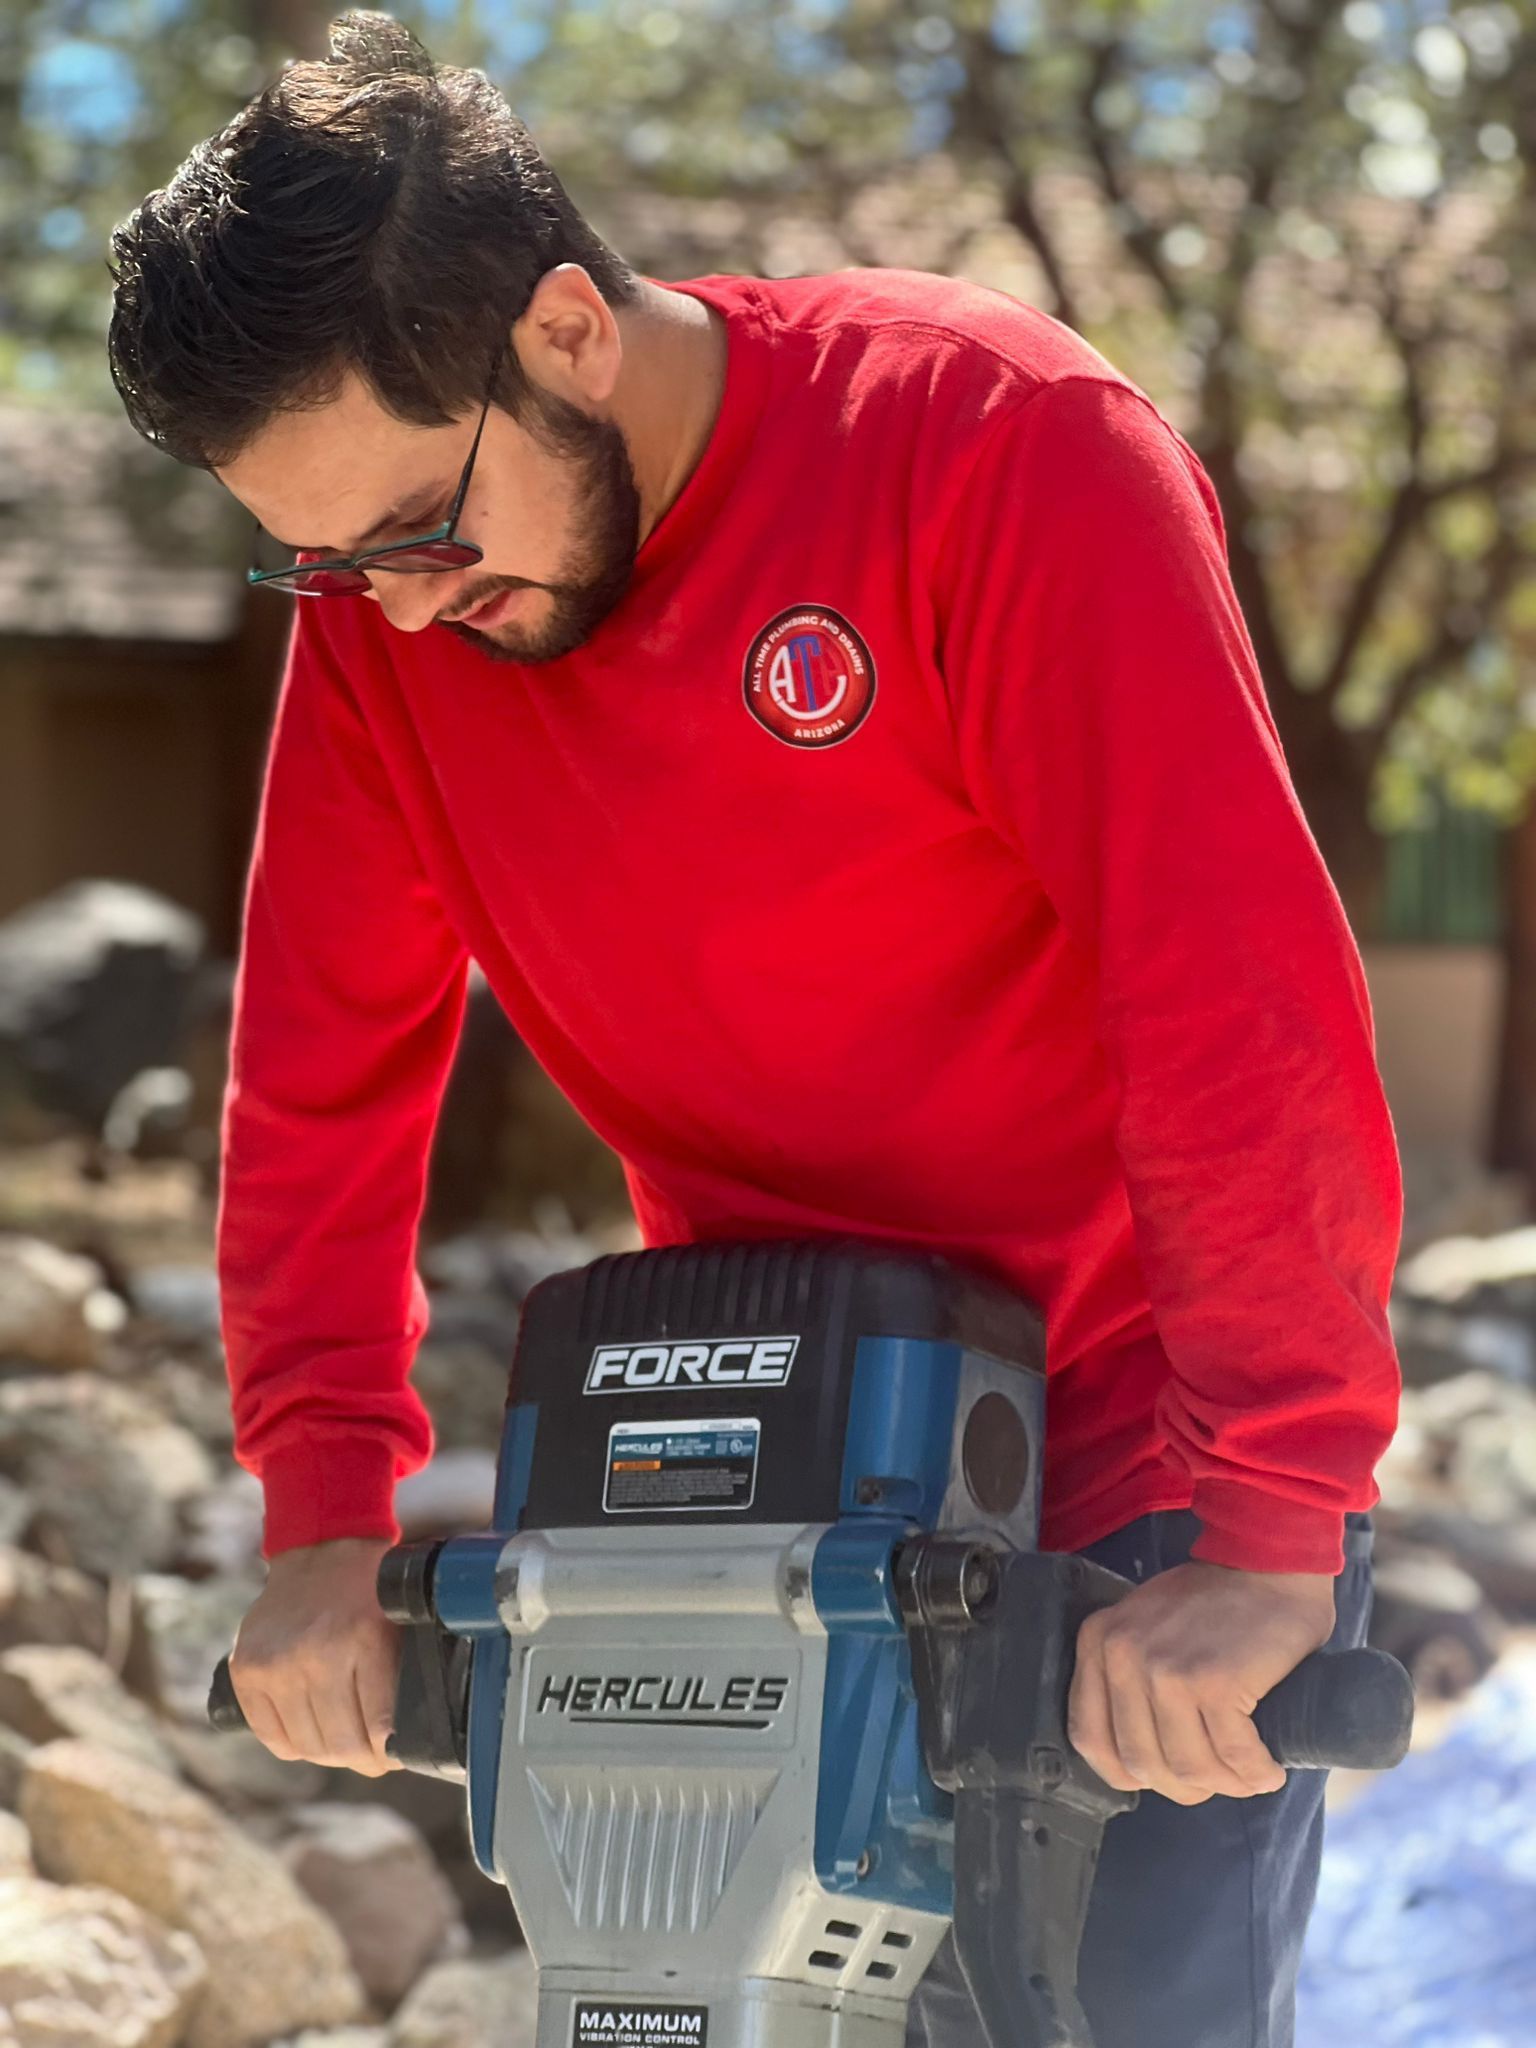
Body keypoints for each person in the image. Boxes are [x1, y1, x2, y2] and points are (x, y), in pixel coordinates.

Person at [107, 14, 1400, 2046]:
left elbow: (1231, 999)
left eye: (421, 531)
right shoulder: (386, 622)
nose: (400, 613)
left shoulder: (994, 446)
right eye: (326, 562)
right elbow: (323, 1075)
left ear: (561, 329)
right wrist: (323, 1514)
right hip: (756, 1431)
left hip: (1145, 1422)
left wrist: (1269, 1529)